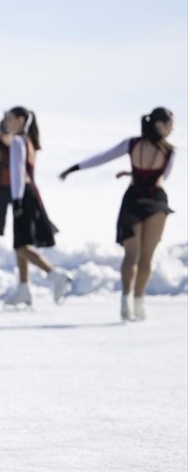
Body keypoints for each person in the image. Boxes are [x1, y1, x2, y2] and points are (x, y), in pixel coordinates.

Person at [60, 107, 175, 320]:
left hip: (133, 200)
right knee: (146, 257)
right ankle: (139, 303)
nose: (171, 129)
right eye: (169, 124)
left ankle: (125, 301)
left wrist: (73, 168)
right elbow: (161, 179)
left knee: (131, 255)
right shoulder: (169, 152)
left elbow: (102, 157)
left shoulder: (132, 144)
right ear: (159, 124)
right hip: (156, 202)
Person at [1, 106, 72, 308]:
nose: (6, 123)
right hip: (30, 193)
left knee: (21, 246)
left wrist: (16, 201)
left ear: (21, 120)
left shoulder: (17, 141)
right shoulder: (28, 141)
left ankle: (55, 275)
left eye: (10, 119)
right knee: (21, 243)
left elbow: (17, 173)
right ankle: (24, 287)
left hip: (22, 194)